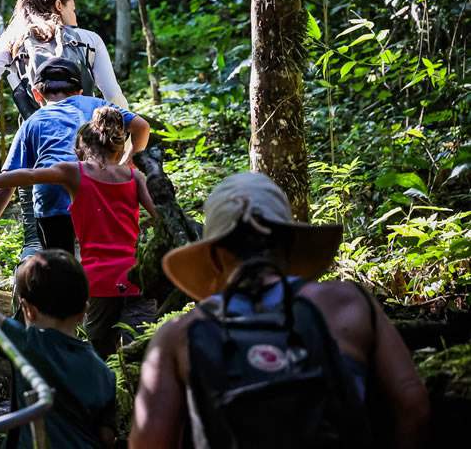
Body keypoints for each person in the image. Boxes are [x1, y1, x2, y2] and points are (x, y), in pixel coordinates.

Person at [129, 172, 431, 449]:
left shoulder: (180, 334)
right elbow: (413, 404)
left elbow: (150, 442)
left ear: (214, 258)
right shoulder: (346, 302)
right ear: (289, 244)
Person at [0, 106, 158, 358]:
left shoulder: (74, 172)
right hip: (138, 275)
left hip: (100, 281)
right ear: (117, 148)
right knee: (142, 354)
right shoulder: (134, 177)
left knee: (102, 355)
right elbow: (162, 216)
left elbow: (26, 175)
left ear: (82, 147)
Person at [0, 0, 129, 260]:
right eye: (73, 9)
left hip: (37, 137)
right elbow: (113, 95)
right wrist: (123, 145)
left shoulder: (13, 39)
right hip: (88, 143)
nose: (75, 17)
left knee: (40, 221)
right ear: (59, 5)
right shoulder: (88, 39)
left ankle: (36, 256)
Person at [0, 57, 149, 261]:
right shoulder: (98, 106)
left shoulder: (32, 122)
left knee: (61, 265)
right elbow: (142, 126)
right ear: (80, 91)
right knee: (103, 256)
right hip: (94, 191)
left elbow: (8, 184)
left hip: (51, 199)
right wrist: (127, 163)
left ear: (36, 94)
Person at [0, 243, 117, 449]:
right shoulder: (103, 371)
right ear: (85, 310)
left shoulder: (26, 343)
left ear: (28, 310)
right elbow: (107, 436)